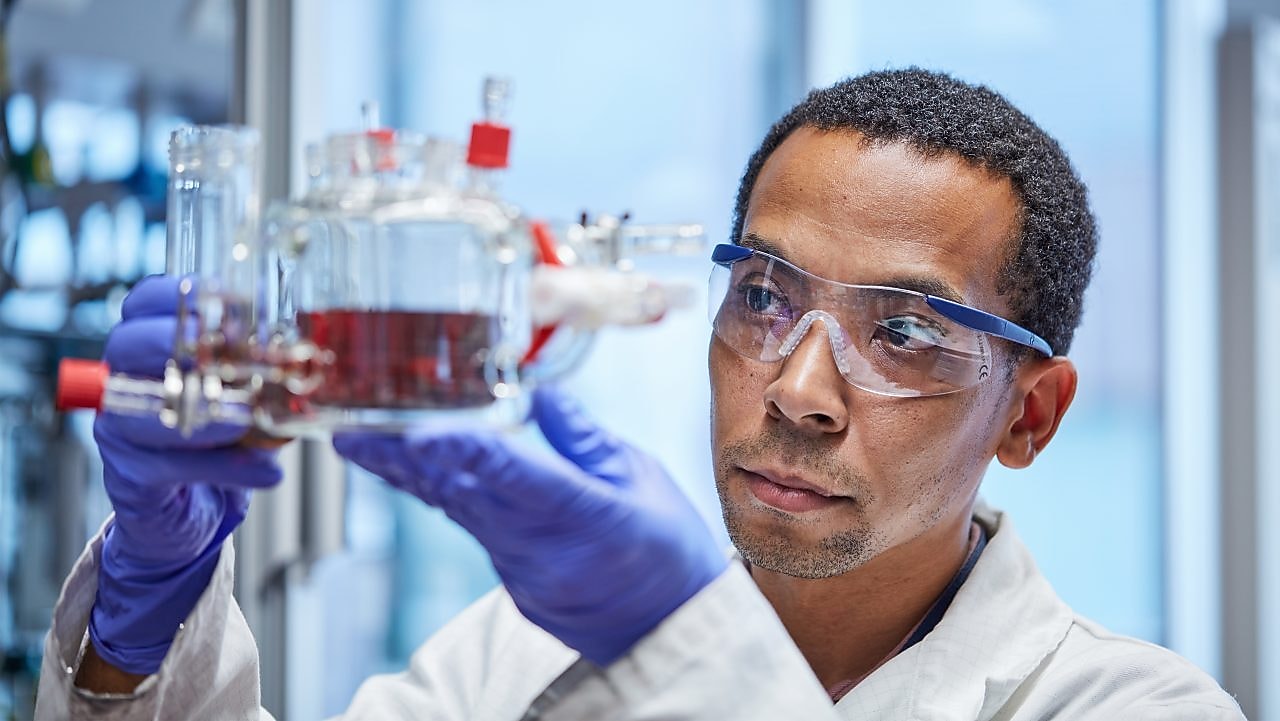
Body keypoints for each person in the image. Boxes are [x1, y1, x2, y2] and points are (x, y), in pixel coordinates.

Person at [37, 68, 1244, 720]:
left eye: (908, 331)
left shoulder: (1132, 707)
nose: (799, 390)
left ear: (1028, 415)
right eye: (765, 296)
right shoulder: (510, 659)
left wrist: (670, 647)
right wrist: (142, 630)